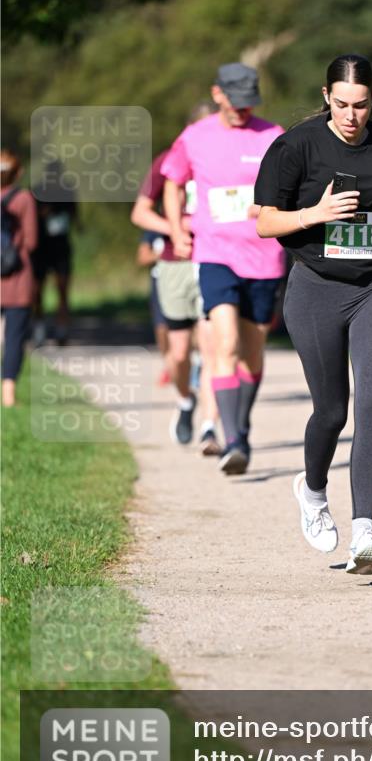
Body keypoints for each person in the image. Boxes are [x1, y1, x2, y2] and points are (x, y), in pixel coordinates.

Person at [254, 54, 372, 575]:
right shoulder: (294, 145)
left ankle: (365, 532)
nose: (353, 116)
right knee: (332, 411)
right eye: (343, 104)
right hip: (315, 288)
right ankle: (312, 490)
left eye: (362, 105)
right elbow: (262, 223)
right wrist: (315, 214)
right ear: (326, 96)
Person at [163, 63, 285, 475]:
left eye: (250, 102)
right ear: (218, 94)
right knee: (225, 342)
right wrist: (177, 227)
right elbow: (171, 180)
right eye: (236, 102)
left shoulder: (273, 135)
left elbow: (293, 188)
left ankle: (241, 424)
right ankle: (232, 438)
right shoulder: (195, 136)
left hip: (265, 257)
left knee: (252, 353)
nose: (243, 110)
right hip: (215, 254)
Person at [130, 103, 221, 454]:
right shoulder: (168, 161)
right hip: (175, 263)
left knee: (213, 348)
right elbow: (139, 213)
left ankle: (211, 427)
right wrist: (176, 227)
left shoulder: (224, 161)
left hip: (216, 260)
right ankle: (186, 400)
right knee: (178, 354)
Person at [1, 149, 38, 407]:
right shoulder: (24, 198)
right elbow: (32, 240)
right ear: (17, 172)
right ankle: (8, 395)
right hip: (17, 277)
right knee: (14, 337)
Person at [31, 160, 78, 347]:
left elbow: (74, 214)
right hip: (41, 247)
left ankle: (62, 329)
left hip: (61, 247)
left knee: (63, 290)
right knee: (37, 291)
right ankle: (39, 328)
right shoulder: (37, 190)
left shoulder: (67, 190)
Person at [135, 230, 171, 387]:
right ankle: (169, 365)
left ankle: (192, 363)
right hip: (160, 284)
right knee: (161, 328)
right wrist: (164, 254)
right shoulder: (152, 231)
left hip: (186, 281)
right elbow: (142, 258)